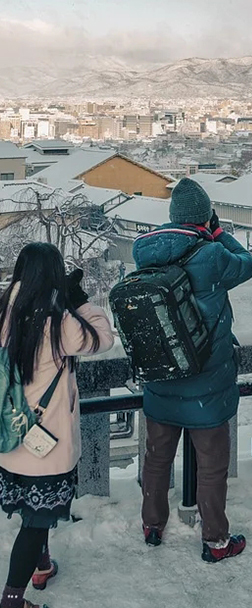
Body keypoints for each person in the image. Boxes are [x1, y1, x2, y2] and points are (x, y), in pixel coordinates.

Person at [132, 178, 252, 562]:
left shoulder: (144, 251)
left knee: (156, 459)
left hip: (161, 379)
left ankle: (152, 525)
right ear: (204, 218)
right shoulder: (212, 255)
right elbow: (249, 264)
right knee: (211, 468)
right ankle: (216, 540)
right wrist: (219, 233)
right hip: (206, 384)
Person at [0, 243, 114, 608]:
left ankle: (42, 566)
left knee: (33, 507)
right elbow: (103, 338)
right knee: (35, 521)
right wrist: (78, 300)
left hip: (10, 431)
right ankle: (13, 599)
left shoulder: (4, 310)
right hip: (45, 444)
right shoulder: (58, 324)